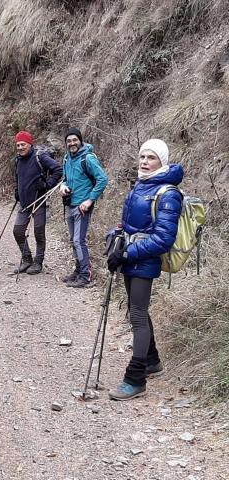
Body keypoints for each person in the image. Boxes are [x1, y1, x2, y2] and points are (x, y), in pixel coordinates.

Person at [107, 139, 183, 401]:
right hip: (130, 256)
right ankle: (152, 361)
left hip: (144, 259)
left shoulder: (168, 193)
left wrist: (128, 252)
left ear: (162, 161)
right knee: (136, 309)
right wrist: (115, 238)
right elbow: (130, 224)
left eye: (151, 157)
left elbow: (164, 238)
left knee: (137, 315)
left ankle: (135, 378)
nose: (144, 162)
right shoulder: (141, 185)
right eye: (142, 156)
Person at [59, 127, 108, 287]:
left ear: (80, 141)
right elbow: (65, 178)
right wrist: (63, 186)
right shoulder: (67, 158)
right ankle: (78, 271)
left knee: (79, 241)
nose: (72, 143)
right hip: (70, 203)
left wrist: (89, 200)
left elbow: (102, 179)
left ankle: (85, 276)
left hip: (82, 206)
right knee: (74, 241)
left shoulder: (88, 158)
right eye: (69, 141)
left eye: (75, 140)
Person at [13, 131, 63, 275]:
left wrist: (48, 184)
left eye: (23, 144)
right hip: (24, 203)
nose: (20, 147)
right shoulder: (18, 160)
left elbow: (58, 170)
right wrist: (17, 191)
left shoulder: (39, 156)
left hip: (39, 201)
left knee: (38, 233)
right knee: (18, 231)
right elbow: (17, 178)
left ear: (30, 144)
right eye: (18, 145)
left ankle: (38, 262)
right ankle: (27, 258)